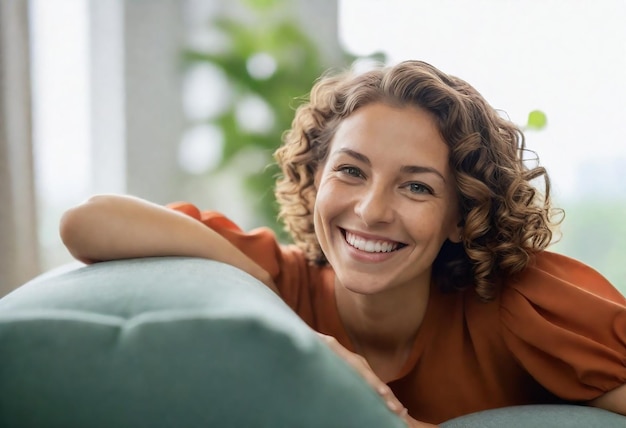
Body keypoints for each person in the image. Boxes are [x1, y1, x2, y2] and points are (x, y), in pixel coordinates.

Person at [60, 60, 626, 427]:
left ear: (461, 216)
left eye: (416, 186)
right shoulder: (277, 284)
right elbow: (87, 222)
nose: (372, 210)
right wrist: (306, 343)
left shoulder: (514, 306)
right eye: (351, 171)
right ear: (315, 179)